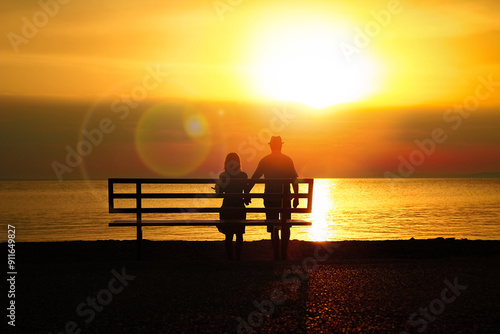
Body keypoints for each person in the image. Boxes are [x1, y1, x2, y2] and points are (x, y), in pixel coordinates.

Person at [250, 136, 299, 260]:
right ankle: (283, 253)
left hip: (270, 200)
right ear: (281, 146)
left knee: (273, 226)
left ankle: (276, 254)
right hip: (285, 200)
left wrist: (246, 193)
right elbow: (294, 179)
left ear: (271, 146)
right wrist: (296, 196)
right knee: (285, 225)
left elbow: (255, 178)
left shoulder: (264, 160)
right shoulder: (288, 160)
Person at [215, 153, 250, 260]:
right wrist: (246, 199)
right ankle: (238, 258)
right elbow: (246, 193)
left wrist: (217, 188)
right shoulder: (243, 175)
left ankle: (230, 258)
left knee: (228, 235)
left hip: (227, 206)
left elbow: (219, 194)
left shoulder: (223, 176)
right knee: (239, 234)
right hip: (239, 206)